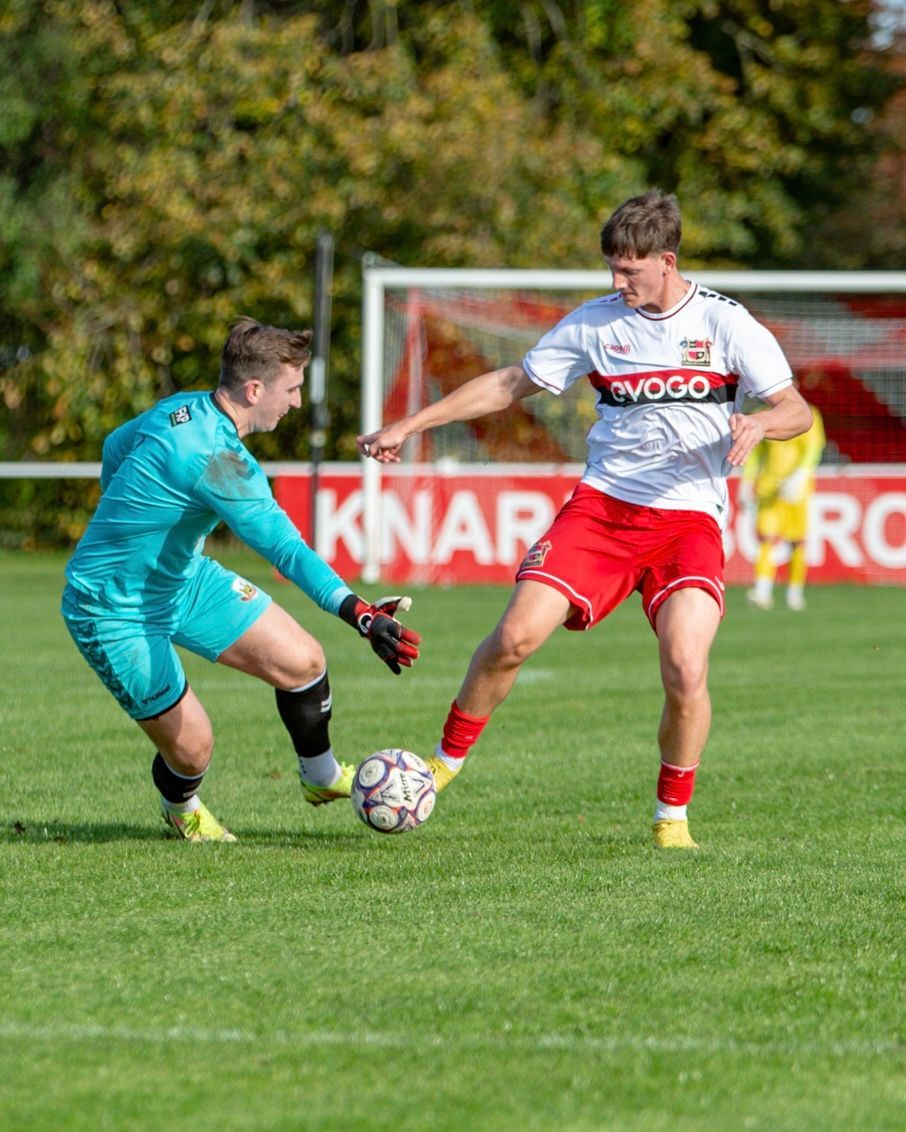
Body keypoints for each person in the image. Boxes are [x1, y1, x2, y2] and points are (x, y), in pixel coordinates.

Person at [358, 189, 812, 849]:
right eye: (611, 269)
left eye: (629, 270)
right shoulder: (596, 323)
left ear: (667, 260)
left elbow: (794, 408)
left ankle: (671, 819)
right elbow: (511, 383)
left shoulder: (726, 325)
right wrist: (411, 421)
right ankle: (441, 766)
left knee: (686, 667)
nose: (617, 282)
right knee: (513, 637)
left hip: (688, 521)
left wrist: (762, 421)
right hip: (601, 510)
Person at [62, 316, 421, 842]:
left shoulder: (181, 406)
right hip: (111, 608)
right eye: (292, 389)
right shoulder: (221, 462)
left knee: (303, 662)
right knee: (193, 749)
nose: (296, 402)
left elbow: (115, 447)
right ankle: (181, 810)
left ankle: (321, 778)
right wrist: (359, 613)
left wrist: (144, 527)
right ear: (255, 390)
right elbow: (286, 550)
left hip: (183, 582)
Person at [741, 396, 825, 611]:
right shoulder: (762, 415)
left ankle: (795, 592)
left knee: (797, 541)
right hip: (769, 486)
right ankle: (762, 591)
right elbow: (755, 454)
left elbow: (813, 449)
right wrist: (747, 481)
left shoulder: (808, 413)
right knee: (766, 538)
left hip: (796, 488)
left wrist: (801, 475)